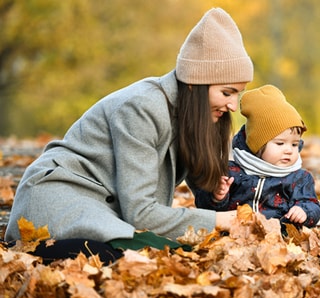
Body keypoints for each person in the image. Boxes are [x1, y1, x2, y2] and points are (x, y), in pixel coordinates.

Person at [5, 7, 253, 264]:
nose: (233, 106)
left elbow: (198, 190)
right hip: (59, 202)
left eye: (238, 94)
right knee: (152, 258)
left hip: (103, 210)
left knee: (184, 253)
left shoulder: (198, 116)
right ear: (194, 83)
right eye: (227, 93)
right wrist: (218, 221)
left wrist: (216, 198)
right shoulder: (143, 108)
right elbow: (141, 214)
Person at [194, 85, 320, 233]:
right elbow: (204, 208)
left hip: (279, 241)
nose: (289, 150)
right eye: (280, 143)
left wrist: (304, 211)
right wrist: (217, 197)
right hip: (236, 237)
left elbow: (313, 205)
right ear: (257, 145)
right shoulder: (232, 172)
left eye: (294, 144)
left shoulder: (299, 178)